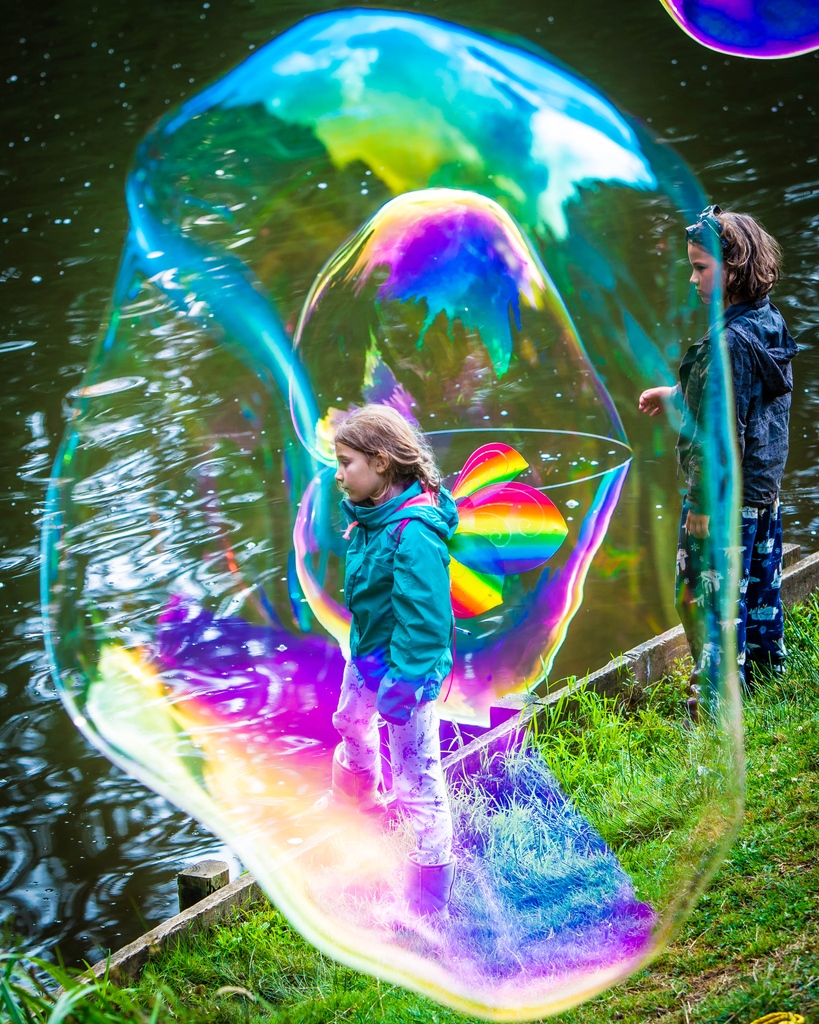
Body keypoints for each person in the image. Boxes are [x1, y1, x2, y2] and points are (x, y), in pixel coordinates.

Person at [639, 205, 797, 707]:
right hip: (759, 494)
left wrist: (704, 508)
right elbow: (739, 403)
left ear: (735, 268)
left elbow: (720, 435)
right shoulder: (765, 324)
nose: (692, 279)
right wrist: (675, 394)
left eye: (701, 268)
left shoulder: (726, 345)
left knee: (702, 597)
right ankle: (766, 672)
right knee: (756, 590)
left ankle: (712, 698)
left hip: (722, 501)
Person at [331, 404, 459, 920]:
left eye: (346, 463)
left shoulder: (413, 533)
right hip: (367, 657)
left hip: (408, 674)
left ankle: (431, 899)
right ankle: (360, 814)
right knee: (348, 722)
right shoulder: (368, 517)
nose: (338, 475)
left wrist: (404, 689)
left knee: (418, 780)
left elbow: (425, 624)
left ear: (381, 463)